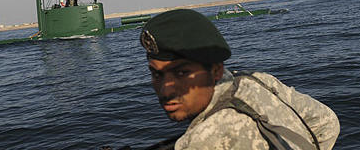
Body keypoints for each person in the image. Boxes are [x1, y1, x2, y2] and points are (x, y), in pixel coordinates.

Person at [140, 9, 339, 150]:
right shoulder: (256, 81)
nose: (166, 90)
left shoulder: (204, 140)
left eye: (182, 73)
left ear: (216, 70)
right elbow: (327, 122)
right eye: (157, 74)